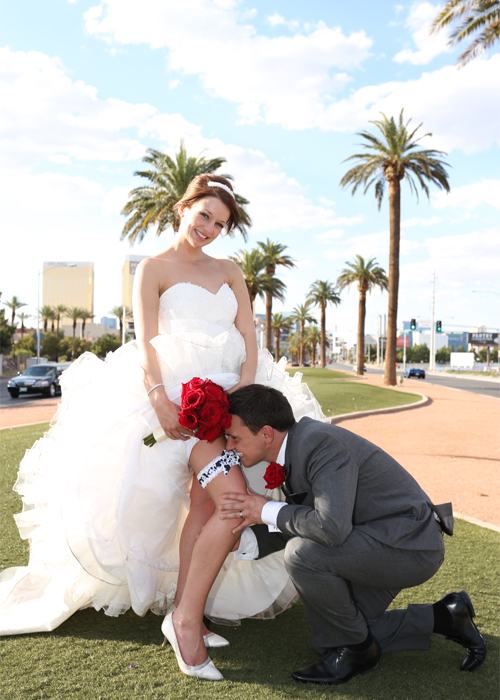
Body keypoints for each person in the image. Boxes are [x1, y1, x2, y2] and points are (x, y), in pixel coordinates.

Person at [0, 175, 324, 681]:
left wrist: (242, 394)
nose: (210, 229)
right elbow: (146, 340)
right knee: (234, 502)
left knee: (204, 502)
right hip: (180, 399)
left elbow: (247, 335)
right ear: (184, 207)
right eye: (204, 216)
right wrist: (160, 399)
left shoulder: (231, 270)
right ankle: (186, 622)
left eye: (220, 224)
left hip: (237, 399)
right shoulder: (152, 268)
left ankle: (182, 609)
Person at [221, 384, 487, 685]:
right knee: (347, 629)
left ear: (267, 434)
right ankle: (447, 616)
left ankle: (358, 652)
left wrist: (267, 508)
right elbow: (307, 518)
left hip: (410, 544)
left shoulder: (318, 442)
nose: (229, 446)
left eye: (234, 437)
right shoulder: (300, 445)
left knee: (302, 555)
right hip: (378, 539)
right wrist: (246, 540)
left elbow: (329, 528)